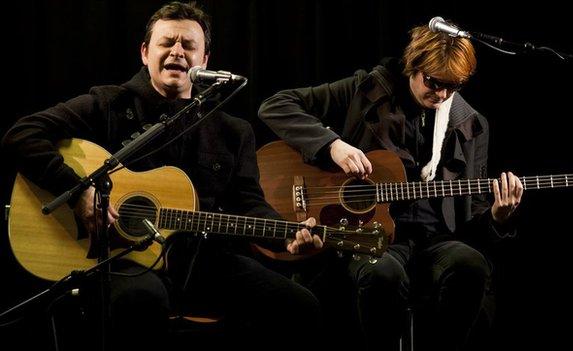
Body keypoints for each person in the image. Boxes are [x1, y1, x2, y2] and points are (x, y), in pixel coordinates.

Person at [2, 2, 323, 351]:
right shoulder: (109, 103)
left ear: (205, 60)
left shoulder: (233, 131)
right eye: (167, 42)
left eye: (188, 46)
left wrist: (288, 237)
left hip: (203, 262)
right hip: (118, 260)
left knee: (300, 306)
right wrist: (78, 192)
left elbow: (248, 203)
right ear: (145, 52)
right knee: (142, 301)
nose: (177, 52)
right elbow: (22, 134)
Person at [258, 23, 524, 351]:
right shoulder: (367, 89)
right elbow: (275, 106)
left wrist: (498, 217)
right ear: (413, 65)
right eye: (432, 82)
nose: (440, 95)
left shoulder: (470, 124)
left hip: (433, 242)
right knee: (381, 274)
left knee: (471, 264)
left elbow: (475, 215)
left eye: (451, 87)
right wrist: (332, 146)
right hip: (366, 235)